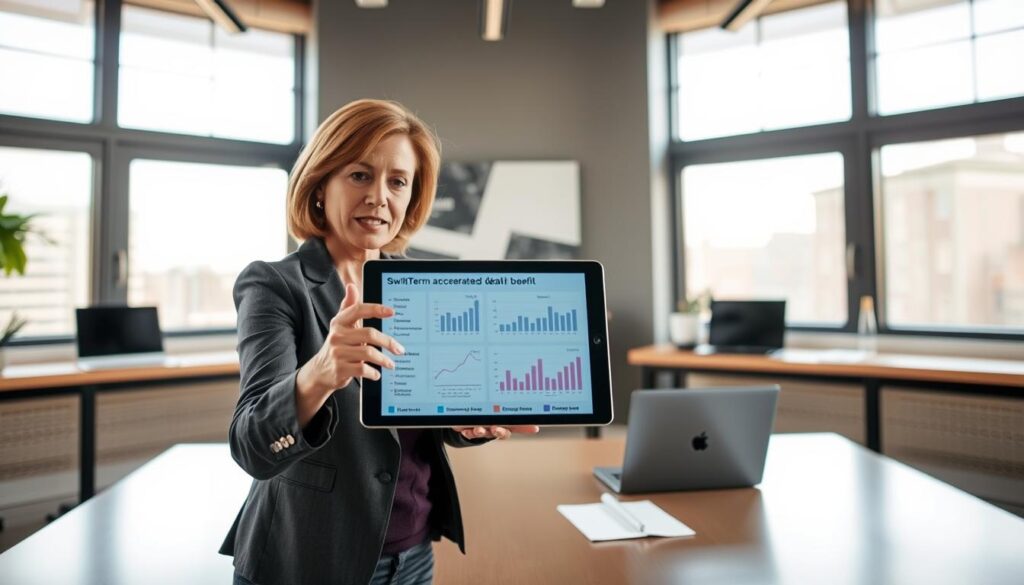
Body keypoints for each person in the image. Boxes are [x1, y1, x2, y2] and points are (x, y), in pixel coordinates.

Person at [219, 99, 539, 585]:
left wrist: (466, 420)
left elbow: (424, 419)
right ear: (321, 186)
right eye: (360, 175)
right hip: (305, 557)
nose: (379, 197)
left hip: (412, 553)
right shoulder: (273, 285)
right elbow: (252, 446)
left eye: (397, 181)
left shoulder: (423, 285)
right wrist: (321, 372)